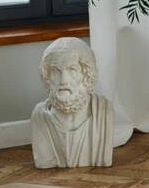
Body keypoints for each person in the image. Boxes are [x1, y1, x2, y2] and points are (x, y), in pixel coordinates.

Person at [31, 37, 113, 168]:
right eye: (55, 71)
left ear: (86, 75)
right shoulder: (40, 117)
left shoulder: (103, 112)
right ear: (47, 77)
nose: (63, 80)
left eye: (72, 70)